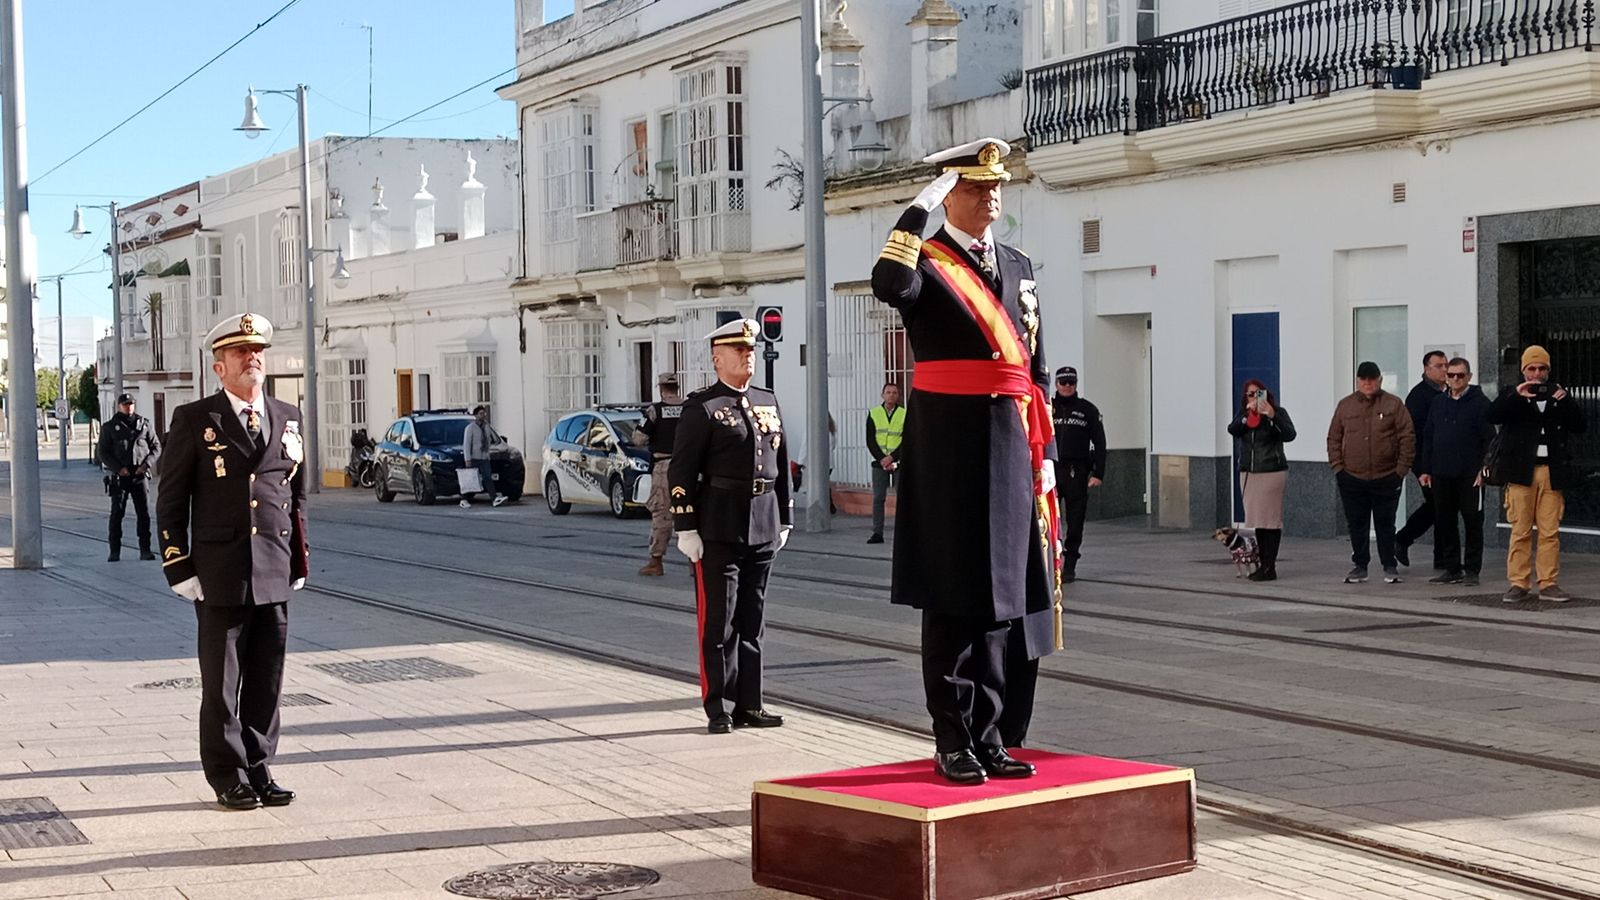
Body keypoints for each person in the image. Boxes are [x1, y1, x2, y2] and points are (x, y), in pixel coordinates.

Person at [872, 138, 1057, 783]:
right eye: (976, 188)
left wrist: (1045, 451)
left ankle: (991, 734)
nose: (990, 197)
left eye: (996, 186)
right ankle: (952, 738)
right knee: (953, 597)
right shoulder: (924, 260)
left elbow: (1033, 364)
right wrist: (915, 213)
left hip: (1010, 444)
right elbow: (888, 285)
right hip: (947, 446)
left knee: (1003, 599)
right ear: (949, 196)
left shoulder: (1019, 264)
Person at [157, 313, 307, 811]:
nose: (252, 358)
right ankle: (227, 774)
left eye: (257, 351)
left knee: (267, 678)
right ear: (219, 367)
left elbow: (295, 496)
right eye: (241, 352)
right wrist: (178, 565)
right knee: (222, 685)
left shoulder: (287, 415)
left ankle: (259, 766)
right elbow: (171, 499)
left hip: (274, 568)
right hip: (220, 572)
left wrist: (299, 558)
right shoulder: (196, 418)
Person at [669, 318, 792, 734]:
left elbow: (780, 464)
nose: (748, 356)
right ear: (717, 358)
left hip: (763, 523)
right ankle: (718, 706)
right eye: (739, 350)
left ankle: (750, 704)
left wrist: (785, 516)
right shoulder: (703, 407)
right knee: (720, 624)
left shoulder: (766, 400)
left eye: (751, 350)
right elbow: (681, 470)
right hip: (718, 527)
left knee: (753, 621)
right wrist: (686, 526)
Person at [1488, 345, 1587, 602]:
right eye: (1531, 368)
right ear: (1523, 371)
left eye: (1541, 368)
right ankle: (1518, 583)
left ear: (1548, 370)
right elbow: (1492, 415)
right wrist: (1516, 396)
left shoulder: (1558, 397)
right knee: (1520, 530)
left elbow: (1580, 425)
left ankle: (1548, 583)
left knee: (1549, 531)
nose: (1536, 374)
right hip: (1521, 473)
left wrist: (1565, 401)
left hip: (1551, 472)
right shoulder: (1512, 394)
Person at [1326, 361, 1414, 585]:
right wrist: (1338, 467)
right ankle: (1360, 565)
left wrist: (1400, 470)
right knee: (1357, 523)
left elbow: (1407, 437)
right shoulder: (1345, 405)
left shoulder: (1394, 404)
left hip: (1387, 476)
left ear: (1380, 380)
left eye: (1372, 379)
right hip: (1351, 476)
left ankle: (1389, 565)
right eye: (1363, 379)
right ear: (1357, 381)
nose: (1368, 383)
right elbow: (1334, 437)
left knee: (1386, 523)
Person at [1418, 358, 1494, 587]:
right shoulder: (1438, 402)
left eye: (1460, 375)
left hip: (1470, 476)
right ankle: (1452, 569)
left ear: (1469, 377)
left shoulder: (1480, 403)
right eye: (1451, 375)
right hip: (1442, 473)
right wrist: (1426, 469)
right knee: (1445, 521)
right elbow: (1428, 437)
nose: (1455, 379)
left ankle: (1472, 569)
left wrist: (1485, 470)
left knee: (1472, 522)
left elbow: (1490, 440)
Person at [1226, 379, 1295, 581]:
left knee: (1270, 521)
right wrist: (1246, 416)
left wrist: (1272, 416)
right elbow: (1233, 430)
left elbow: (1289, 434)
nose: (1254, 398)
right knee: (1258, 521)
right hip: (1250, 473)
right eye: (1250, 394)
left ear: (1265, 394)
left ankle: (1269, 567)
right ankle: (1263, 564)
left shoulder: (1277, 413)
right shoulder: (1244, 415)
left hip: (1271, 472)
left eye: (1258, 394)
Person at [1051, 366, 1105, 582]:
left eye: (1071, 382)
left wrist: (1098, 473)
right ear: (1056, 384)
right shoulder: (1047, 407)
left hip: (1077, 471)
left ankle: (1070, 565)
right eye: (1063, 382)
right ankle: (1050, 563)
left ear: (1076, 384)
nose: (1067, 386)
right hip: (1051, 469)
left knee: (1075, 522)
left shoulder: (1087, 409)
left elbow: (1100, 443)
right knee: (1047, 519)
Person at [1396, 351, 1448, 570]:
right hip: (1425, 462)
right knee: (1438, 505)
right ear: (1427, 369)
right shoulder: (1418, 396)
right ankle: (1403, 539)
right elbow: (1416, 433)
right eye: (1439, 366)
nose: (1445, 370)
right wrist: (1421, 466)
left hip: (1445, 461)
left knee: (1440, 507)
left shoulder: (1447, 392)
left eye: (1446, 365)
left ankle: (1407, 541)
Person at [98, 392, 162, 562]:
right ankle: (114, 551)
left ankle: (145, 550)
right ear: (119, 406)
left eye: (131, 404)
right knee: (117, 514)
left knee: (144, 514)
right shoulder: (110, 427)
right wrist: (118, 469)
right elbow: (103, 452)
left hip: (140, 475)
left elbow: (156, 447)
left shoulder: (144, 424)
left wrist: (146, 465)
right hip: (121, 476)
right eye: (126, 404)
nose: (129, 407)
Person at [635, 373, 685, 575]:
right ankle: (696, 562)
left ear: (661, 389)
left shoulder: (655, 410)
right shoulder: (689, 408)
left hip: (664, 466)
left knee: (662, 513)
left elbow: (638, 438)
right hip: (688, 467)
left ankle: (656, 561)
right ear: (677, 388)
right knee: (691, 512)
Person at [866, 382, 906, 544]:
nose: (891, 395)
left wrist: (892, 457)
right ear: (882, 395)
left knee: (902, 498)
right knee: (878, 498)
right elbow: (870, 439)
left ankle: (903, 533)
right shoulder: (874, 413)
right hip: (879, 462)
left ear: (898, 395)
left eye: (894, 392)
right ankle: (877, 533)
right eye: (888, 392)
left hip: (898, 462)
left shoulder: (904, 414)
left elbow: (907, 439)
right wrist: (882, 458)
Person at [460, 405, 508, 509]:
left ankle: (494, 498)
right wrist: (467, 459)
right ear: (476, 415)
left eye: (484, 413)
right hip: (474, 457)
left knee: (488, 478)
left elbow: (490, 440)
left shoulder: (487, 427)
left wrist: (488, 454)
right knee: (471, 479)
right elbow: (467, 444)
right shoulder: (470, 428)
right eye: (481, 414)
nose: (483, 416)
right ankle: (464, 499)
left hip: (484, 458)